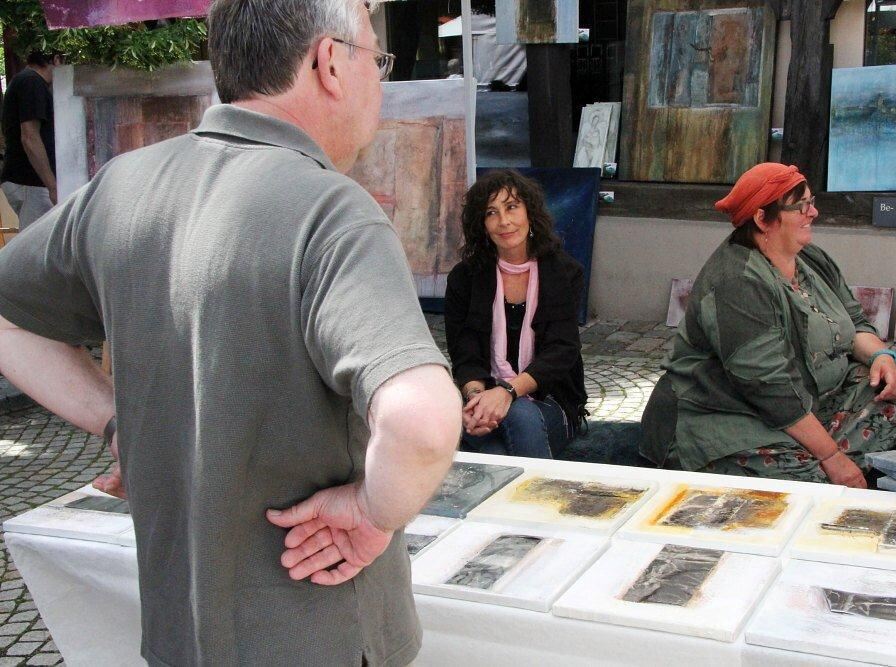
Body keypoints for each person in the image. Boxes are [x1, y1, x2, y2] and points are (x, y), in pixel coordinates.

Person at [0, 1, 463, 665]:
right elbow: (421, 421)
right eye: (377, 61)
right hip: (320, 636)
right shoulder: (333, 215)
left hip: (181, 637)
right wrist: (369, 513)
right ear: (329, 62)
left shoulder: (122, 188)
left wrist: (117, 420)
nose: (379, 83)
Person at [656, 163, 896, 488]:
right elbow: (771, 388)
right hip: (729, 414)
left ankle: (839, 460)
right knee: (806, 483)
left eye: (811, 201)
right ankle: (830, 463)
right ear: (763, 219)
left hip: (808, 399)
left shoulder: (810, 258)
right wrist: (831, 457)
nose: (814, 212)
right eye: (801, 206)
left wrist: (882, 358)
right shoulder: (737, 283)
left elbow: (856, 323)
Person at [445, 169, 587, 459]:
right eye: (491, 213)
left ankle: (533, 500)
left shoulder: (563, 272)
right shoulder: (465, 278)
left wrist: (507, 392)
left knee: (519, 416)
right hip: (484, 398)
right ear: (482, 225)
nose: (504, 221)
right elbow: (465, 355)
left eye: (511, 207)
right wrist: (477, 399)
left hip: (551, 401)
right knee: (496, 444)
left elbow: (562, 352)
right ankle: (539, 500)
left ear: (529, 213)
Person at [0, 51, 59, 229]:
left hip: (29, 181)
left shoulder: (25, 81)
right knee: (36, 249)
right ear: (56, 60)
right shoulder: (32, 82)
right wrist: (52, 186)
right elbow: (29, 137)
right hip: (30, 181)